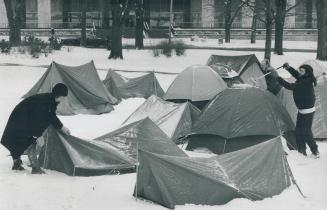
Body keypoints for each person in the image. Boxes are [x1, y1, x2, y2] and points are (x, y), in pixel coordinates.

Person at [1, 83, 71, 174]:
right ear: (59, 95)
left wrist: (62, 127)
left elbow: (51, 116)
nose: (65, 99)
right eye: (64, 96)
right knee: (30, 142)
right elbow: (37, 120)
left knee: (20, 141)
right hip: (20, 120)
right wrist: (38, 136)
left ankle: (17, 163)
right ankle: (35, 168)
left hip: (23, 119)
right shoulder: (45, 102)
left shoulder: (51, 101)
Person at [270, 63, 319, 157]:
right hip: (303, 110)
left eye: (302, 71)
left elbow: (289, 86)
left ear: (307, 73)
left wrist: (277, 77)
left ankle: (315, 151)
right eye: (300, 70)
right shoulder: (304, 78)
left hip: (307, 111)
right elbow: (296, 74)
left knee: (306, 131)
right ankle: (302, 150)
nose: (300, 72)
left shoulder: (306, 82)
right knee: (298, 131)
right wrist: (289, 68)